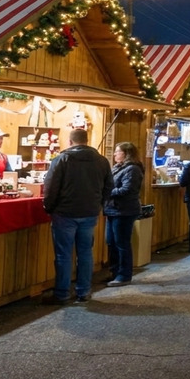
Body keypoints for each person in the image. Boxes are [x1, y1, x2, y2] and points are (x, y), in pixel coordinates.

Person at [42, 129, 112, 304]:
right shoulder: (102, 161)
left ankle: (62, 293)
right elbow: (109, 187)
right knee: (85, 253)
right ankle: (84, 291)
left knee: (63, 255)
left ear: (70, 141)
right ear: (86, 140)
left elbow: (50, 187)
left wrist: (49, 207)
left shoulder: (62, 159)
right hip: (89, 213)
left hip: (64, 213)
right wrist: (98, 204)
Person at [105, 141, 144, 286]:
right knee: (111, 241)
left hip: (124, 210)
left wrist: (107, 193)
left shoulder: (132, 169)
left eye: (118, 151)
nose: (115, 154)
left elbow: (128, 189)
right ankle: (115, 272)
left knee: (121, 243)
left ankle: (124, 275)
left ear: (126, 154)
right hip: (113, 209)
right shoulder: (118, 167)